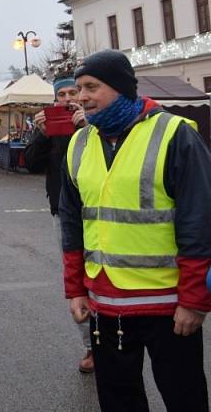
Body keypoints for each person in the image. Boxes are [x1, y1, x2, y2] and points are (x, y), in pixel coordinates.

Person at [59, 50, 211, 411]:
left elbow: (200, 223)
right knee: (118, 400)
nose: (81, 97)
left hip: (169, 307)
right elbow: (72, 223)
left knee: (184, 398)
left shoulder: (175, 135)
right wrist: (75, 289)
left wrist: (194, 300)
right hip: (105, 306)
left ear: (120, 88)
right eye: (79, 88)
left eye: (91, 87)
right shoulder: (79, 143)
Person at [25, 75, 94, 372]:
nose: (67, 99)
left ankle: (115, 339)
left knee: (103, 278)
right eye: (61, 94)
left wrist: (87, 127)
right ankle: (91, 347)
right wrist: (42, 134)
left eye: (72, 92)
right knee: (75, 280)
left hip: (98, 212)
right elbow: (30, 164)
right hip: (63, 214)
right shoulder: (51, 129)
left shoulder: (96, 124)